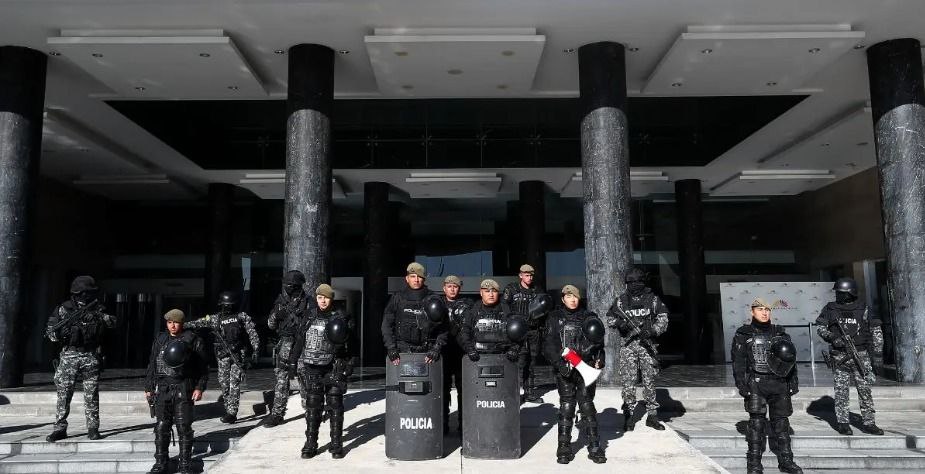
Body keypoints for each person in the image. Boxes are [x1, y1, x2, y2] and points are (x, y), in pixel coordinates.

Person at [732, 299, 803, 474]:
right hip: (756, 384)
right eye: (760, 309)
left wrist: (793, 382)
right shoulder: (743, 334)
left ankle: (786, 461)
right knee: (756, 424)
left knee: (782, 424)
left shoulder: (780, 333)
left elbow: (791, 360)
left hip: (780, 383)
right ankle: (754, 463)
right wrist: (741, 384)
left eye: (767, 310)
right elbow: (738, 362)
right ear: (752, 312)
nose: (764, 313)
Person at [44, 275, 116, 442]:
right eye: (82, 293)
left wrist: (98, 317)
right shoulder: (64, 309)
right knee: (64, 394)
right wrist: (61, 334)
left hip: (90, 355)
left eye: (88, 293)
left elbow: (113, 322)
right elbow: (50, 332)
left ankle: (93, 428)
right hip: (69, 355)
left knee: (91, 394)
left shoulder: (99, 308)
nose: (85, 296)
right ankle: (60, 428)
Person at [288, 284, 354, 459]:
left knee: (335, 405)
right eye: (319, 297)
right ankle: (311, 443)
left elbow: (352, 343)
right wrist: (293, 361)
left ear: (331, 299)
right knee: (313, 407)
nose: (323, 301)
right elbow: (300, 339)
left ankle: (336, 444)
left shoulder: (340, 317)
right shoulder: (309, 316)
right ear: (316, 298)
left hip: (333, 366)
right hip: (312, 367)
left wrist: (349, 364)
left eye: (326, 298)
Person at [544, 285, 606, 464]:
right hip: (566, 369)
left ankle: (595, 446)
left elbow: (599, 343)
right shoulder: (554, 318)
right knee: (567, 406)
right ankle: (563, 446)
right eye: (569, 296)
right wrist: (559, 364)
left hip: (585, 368)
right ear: (563, 298)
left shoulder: (589, 316)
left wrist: (600, 359)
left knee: (587, 406)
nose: (572, 300)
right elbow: (549, 345)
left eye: (575, 297)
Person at [815, 277, 884, 435]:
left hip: (861, 355)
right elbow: (820, 327)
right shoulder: (830, 308)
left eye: (841, 292)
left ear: (850, 293)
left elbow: (876, 331)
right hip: (840, 356)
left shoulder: (864, 308)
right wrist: (833, 337)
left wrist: (878, 355)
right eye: (837, 292)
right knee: (841, 391)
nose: (837, 295)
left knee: (865, 391)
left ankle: (869, 422)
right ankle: (843, 423)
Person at [144, 309, 209, 474]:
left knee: (183, 426)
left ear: (182, 323)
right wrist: (149, 387)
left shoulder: (193, 340)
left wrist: (199, 387)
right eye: (169, 322)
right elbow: (152, 364)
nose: (172, 326)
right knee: (161, 426)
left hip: (183, 387)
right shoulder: (160, 340)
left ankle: (185, 464)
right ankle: (161, 463)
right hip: (163, 387)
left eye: (176, 322)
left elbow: (203, 368)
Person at [605, 267, 669, 431]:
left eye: (638, 282)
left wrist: (652, 331)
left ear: (643, 282)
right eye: (631, 282)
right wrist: (621, 323)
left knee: (649, 379)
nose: (634, 285)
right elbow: (610, 317)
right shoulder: (621, 301)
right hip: (628, 346)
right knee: (628, 380)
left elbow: (663, 319)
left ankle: (652, 415)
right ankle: (628, 413)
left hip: (647, 345)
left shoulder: (653, 299)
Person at [184, 290, 260, 424]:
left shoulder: (241, 317)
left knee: (234, 383)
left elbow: (252, 333)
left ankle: (232, 413)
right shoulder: (215, 319)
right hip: (222, 356)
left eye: (230, 305)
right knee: (224, 384)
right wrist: (182, 325)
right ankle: (228, 409)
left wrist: (256, 349)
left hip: (237, 355)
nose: (228, 308)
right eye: (226, 305)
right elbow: (199, 323)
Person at [264, 270, 310, 427]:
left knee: (304, 378)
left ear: (296, 285)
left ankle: (310, 410)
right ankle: (277, 414)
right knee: (281, 380)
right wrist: (276, 315)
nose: (286, 287)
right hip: (284, 345)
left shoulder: (308, 302)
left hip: (302, 346)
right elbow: (270, 325)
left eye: (289, 285)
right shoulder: (280, 302)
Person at [381, 262, 447, 365]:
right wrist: (391, 347)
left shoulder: (434, 299)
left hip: (427, 353)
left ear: (424, 279)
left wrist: (436, 348)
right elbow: (386, 325)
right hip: (401, 352)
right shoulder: (397, 298)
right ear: (407, 278)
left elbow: (444, 327)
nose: (416, 280)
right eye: (413, 276)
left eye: (419, 277)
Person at [502, 264, 546, 402]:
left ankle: (529, 392)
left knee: (531, 362)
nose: (529, 278)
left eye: (531, 275)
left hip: (532, 330)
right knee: (517, 361)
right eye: (527, 275)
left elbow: (543, 308)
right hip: (517, 330)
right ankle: (513, 393)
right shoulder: (512, 289)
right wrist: (510, 320)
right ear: (520, 275)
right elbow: (504, 305)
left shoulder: (537, 290)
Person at [458, 279, 522, 368]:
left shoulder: (507, 310)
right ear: (481, 293)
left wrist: (514, 348)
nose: (491, 294)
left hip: (503, 357)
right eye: (487, 291)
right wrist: (469, 349)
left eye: (494, 291)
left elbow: (519, 331)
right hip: (478, 357)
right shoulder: (472, 311)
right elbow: (464, 332)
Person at [442, 275, 471, 433]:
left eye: (455, 287)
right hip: (444, 352)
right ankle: (443, 424)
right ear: (444, 288)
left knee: (463, 391)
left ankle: (462, 425)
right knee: (443, 390)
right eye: (450, 286)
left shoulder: (466, 305)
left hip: (461, 353)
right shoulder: (437, 304)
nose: (452, 289)